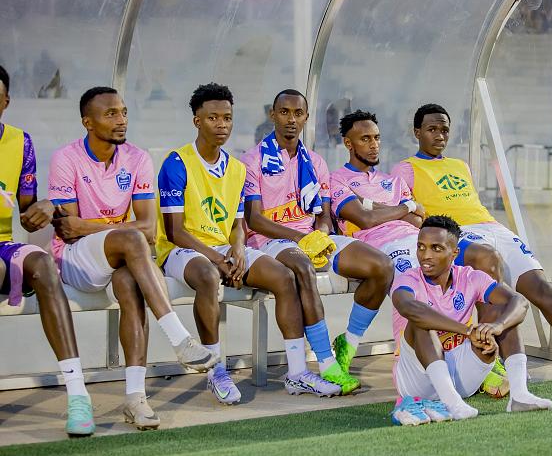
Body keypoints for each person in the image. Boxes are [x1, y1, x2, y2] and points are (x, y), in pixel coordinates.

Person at [391, 103, 552, 374]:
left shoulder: (460, 166)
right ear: (417, 132)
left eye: (444, 130)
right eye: (432, 129)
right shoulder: (405, 169)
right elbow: (404, 213)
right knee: (488, 267)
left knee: (541, 288)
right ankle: (491, 359)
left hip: (493, 228)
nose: (439, 135)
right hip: (456, 233)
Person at [156, 83, 341, 400]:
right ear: (197, 121)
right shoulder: (176, 163)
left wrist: (239, 250)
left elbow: (237, 225)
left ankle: (297, 373)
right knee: (208, 275)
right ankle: (216, 370)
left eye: (227, 118)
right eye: (213, 118)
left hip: (222, 249)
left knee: (284, 277)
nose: (222, 125)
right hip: (181, 251)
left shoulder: (236, 167)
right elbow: (174, 232)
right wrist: (219, 259)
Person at [48, 86, 217, 430]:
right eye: (110, 114)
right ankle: (179, 338)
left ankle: (136, 398)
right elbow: (68, 231)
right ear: (88, 122)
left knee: (130, 283)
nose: (121, 119)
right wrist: (112, 231)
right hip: (76, 261)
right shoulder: (66, 158)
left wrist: (88, 225)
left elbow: (149, 229)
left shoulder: (137, 158)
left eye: (123, 112)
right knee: (130, 238)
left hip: (122, 258)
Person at [330, 109, 509, 398]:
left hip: (415, 240)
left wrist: (386, 209)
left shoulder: (392, 181)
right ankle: (413, 367)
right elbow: (365, 220)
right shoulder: (338, 180)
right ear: (348, 143)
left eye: (377, 138)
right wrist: (403, 208)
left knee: (456, 278)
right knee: (412, 284)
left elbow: (417, 218)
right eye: (365, 139)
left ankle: (474, 356)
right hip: (377, 246)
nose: (374, 145)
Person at [241, 89, 394, 394]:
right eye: (284, 112)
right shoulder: (252, 160)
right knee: (302, 266)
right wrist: (303, 239)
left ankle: (348, 343)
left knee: (382, 266)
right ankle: (326, 364)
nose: (291, 119)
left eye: (298, 113)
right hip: (271, 240)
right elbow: (254, 220)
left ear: (306, 118)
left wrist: (321, 234)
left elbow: (323, 215)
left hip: (311, 237)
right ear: (273, 115)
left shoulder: (315, 161)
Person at [0, 65, 95, 437]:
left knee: (42, 262)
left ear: (6, 102)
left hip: (3, 247)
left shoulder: (20, 142)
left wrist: (43, 207)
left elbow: (27, 216)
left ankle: (77, 393)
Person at [390, 215, 552, 425]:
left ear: (454, 253)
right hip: (416, 378)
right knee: (420, 322)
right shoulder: (408, 279)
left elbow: (519, 302)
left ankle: (520, 395)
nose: (425, 255)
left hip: (460, 374)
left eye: (436, 248)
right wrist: (467, 331)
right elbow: (409, 308)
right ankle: (452, 403)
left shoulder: (469, 277)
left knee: (503, 313)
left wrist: (496, 327)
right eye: (421, 247)